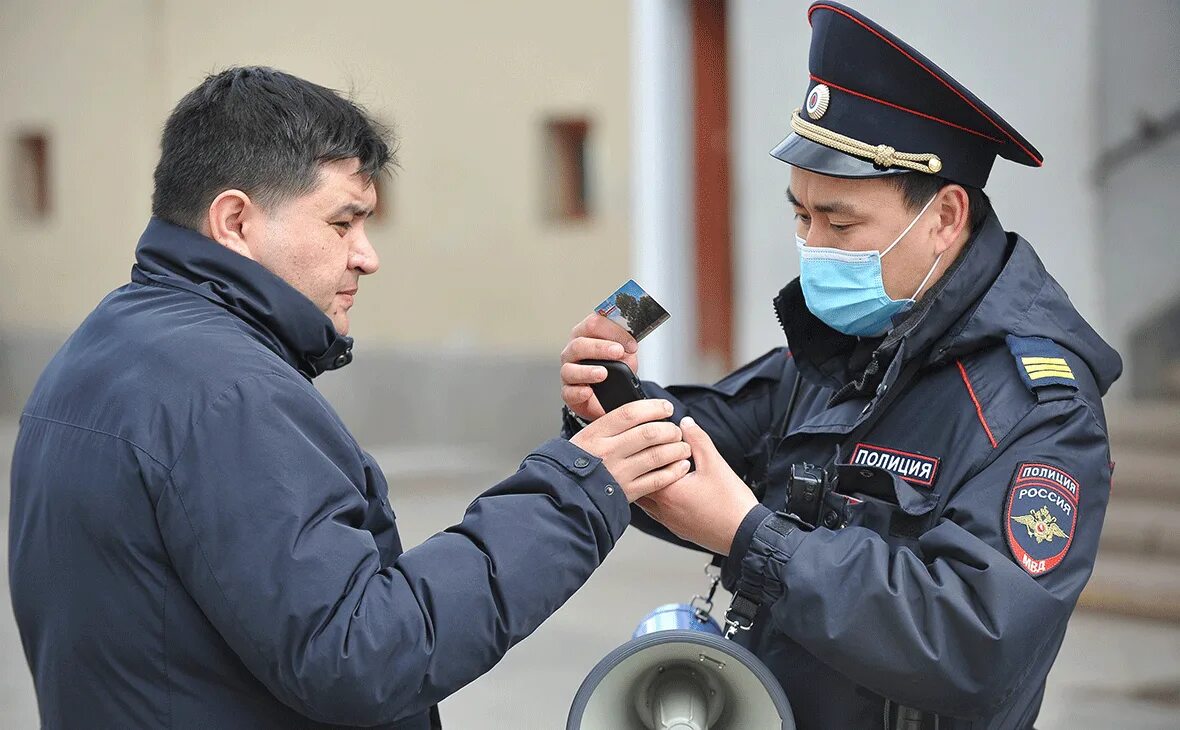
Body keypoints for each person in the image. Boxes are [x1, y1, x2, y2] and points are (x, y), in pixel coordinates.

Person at [8, 67, 702, 730]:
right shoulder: (226, 392)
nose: (367, 255)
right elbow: (357, 651)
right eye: (342, 225)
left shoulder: (107, 342)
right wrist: (578, 491)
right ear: (235, 222)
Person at [559, 4, 1121, 728]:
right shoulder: (840, 345)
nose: (813, 245)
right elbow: (708, 447)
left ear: (946, 216)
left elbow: (977, 645)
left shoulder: (1035, 404)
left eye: (841, 222)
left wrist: (751, 536)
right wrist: (607, 398)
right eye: (801, 216)